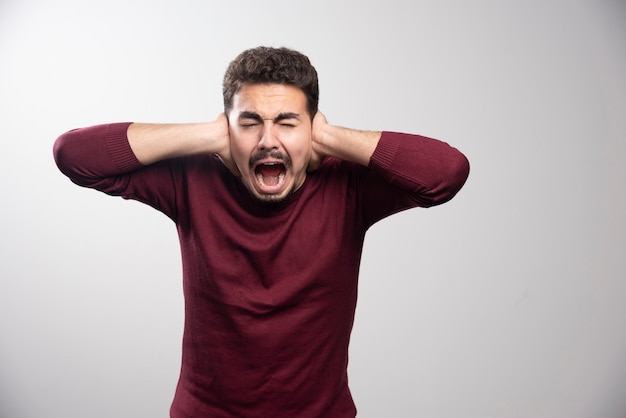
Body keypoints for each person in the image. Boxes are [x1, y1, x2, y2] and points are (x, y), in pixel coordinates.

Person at [53, 46, 470, 418]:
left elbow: (446, 174)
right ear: (227, 127)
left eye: (288, 123)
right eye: (250, 123)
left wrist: (326, 136)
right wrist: (208, 134)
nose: (268, 141)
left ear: (312, 127)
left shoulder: (349, 187)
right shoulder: (191, 180)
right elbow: (73, 155)